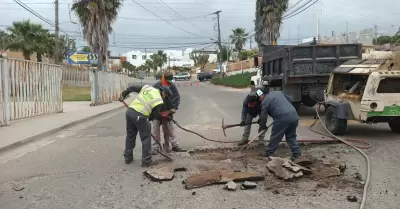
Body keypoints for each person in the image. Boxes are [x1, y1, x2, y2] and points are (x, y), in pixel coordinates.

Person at [119, 84, 172, 167]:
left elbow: (132, 87)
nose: (165, 98)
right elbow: (154, 115)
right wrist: (146, 121)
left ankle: (128, 158)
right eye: (166, 96)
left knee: (130, 136)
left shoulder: (147, 87)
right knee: (146, 138)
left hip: (129, 112)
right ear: (164, 93)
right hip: (140, 115)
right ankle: (146, 161)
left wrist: (123, 95)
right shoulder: (159, 100)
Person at [257, 88, 302, 160]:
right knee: (291, 137)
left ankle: (269, 153)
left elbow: (263, 116)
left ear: (262, 95)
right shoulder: (278, 92)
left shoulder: (265, 101)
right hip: (294, 116)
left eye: (259, 97)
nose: (259, 99)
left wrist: (263, 126)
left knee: (275, 136)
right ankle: (297, 154)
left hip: (282, 118)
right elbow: (290, 99)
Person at [153, 71, 186, 152]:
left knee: (170, 130)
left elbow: (177, 97)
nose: (169, 82)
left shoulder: (172, 85)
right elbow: (151, 97)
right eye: (168, 81)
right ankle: (155, 148)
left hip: (168, 112)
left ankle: (174, 146)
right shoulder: (157, 85)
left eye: (170, 81)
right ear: (164, 77)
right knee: (155, 131)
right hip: (157, 113)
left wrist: (174, 108)